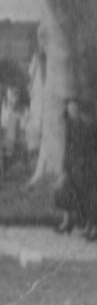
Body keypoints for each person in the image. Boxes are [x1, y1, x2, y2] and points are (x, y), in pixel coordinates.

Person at [54, 98, 97, 239]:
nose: (72, 112)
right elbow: (68, 150)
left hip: (88, 167)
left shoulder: (91, 127)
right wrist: (65, 169)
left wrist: (82, 163)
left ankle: (92, 226)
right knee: (63, 185)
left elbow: (91, 151)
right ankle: (68, 221)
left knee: (90, 190)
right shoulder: (71, 127)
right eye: (69, 109)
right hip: (75, 167)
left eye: (74, 109)